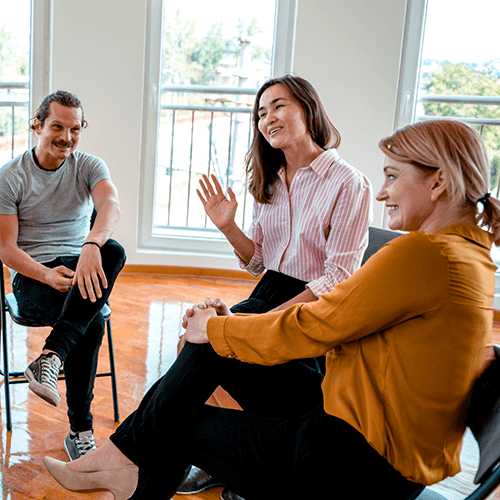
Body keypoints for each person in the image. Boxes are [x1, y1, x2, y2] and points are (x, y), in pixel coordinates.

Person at [43, 118, 500, 500]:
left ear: (438, 181)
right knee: (209, 351)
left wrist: (220, 330)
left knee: (175, 419)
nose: (383, 193)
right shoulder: (469, 256)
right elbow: (337, 316)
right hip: (366, 425)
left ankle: (123, 469)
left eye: (394, 175)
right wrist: (226, 328)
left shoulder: (424, 255)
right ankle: (120, 463)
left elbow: (320, 323)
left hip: (356, 462)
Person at [179, 74, 372, 498]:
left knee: (208, 345)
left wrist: (262, 322)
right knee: (194, 342)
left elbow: (338, 277)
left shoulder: (348, 182)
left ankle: (240, 464)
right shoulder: (271, 179)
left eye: (278, 106)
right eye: (261, 113)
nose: (268, 118)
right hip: (268, 292)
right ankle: (219, 461)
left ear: (308, 108)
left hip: (312, 310)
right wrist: (228, 225)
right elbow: (258, 262)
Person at [0, 90, 125, 461]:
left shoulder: (88, 165)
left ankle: (50, 357)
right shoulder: (11, 177)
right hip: (32, 278)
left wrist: (90, 248)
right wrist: (46, 275)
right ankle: (80, 431)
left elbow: (111, 206)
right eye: (57, 126)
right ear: (37, 125)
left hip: (79, 267)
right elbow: (6, 249)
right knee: (91, 320)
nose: (66, 138)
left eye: (75, 129)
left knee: (113, 251)